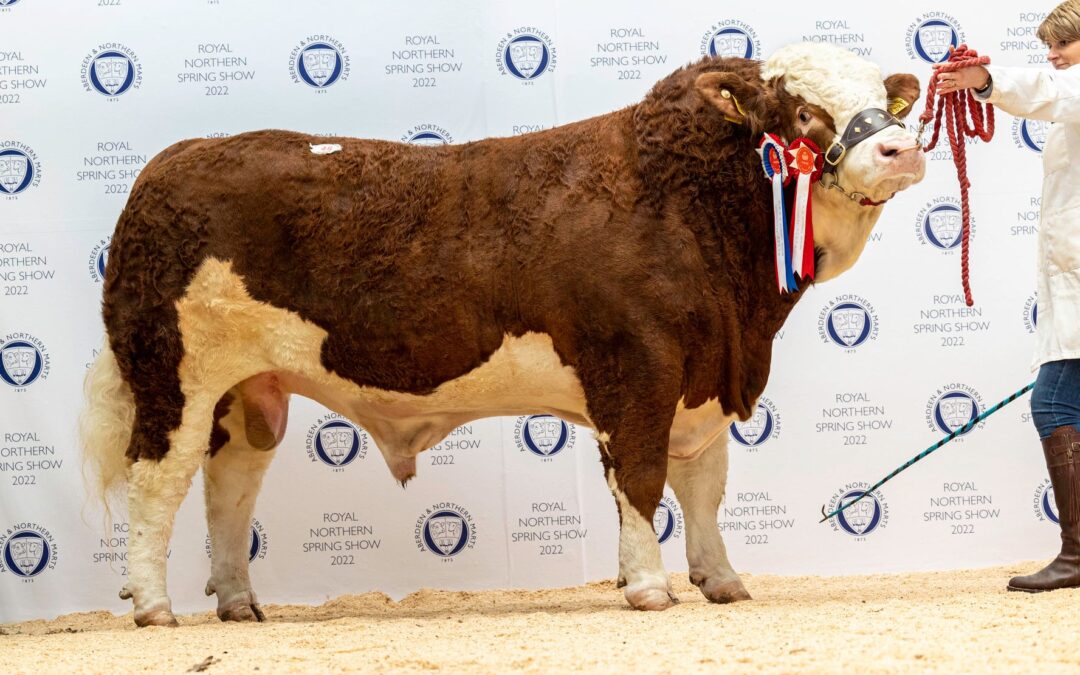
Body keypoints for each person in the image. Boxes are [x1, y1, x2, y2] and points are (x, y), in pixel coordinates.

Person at [936, 1, 1080, 592]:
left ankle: (1077, 556)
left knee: (1053, 403)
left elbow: (1048, 89)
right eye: (1050, 44)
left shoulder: (1067, 93)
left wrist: (985, 81)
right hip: (1070, 285)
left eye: (1065, 44)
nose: (1053, 54)